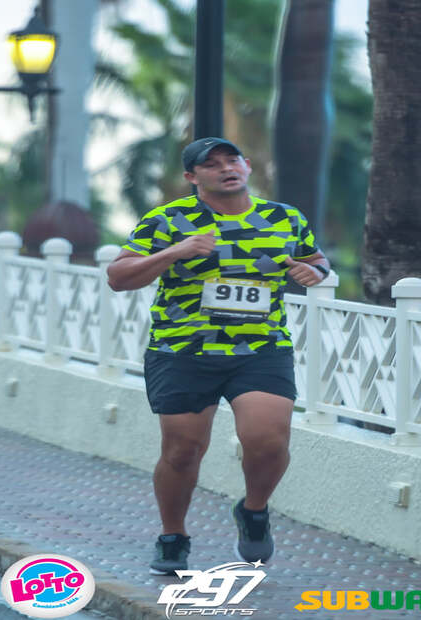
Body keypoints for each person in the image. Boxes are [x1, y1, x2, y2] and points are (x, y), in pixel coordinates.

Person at [106, 137, 331, 575]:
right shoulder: (167, 220)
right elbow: (118, 277)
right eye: (211, 164)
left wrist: (315, 271)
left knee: (269, 442)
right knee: (182, 451)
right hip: (183, 351)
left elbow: (316, 259)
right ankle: (173, 536)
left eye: (232, 160)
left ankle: (254, 510)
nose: (226, 168)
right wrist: (176, 251)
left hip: (260, 349)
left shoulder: (283, 218)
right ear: (192, 177)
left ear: (247, 166)